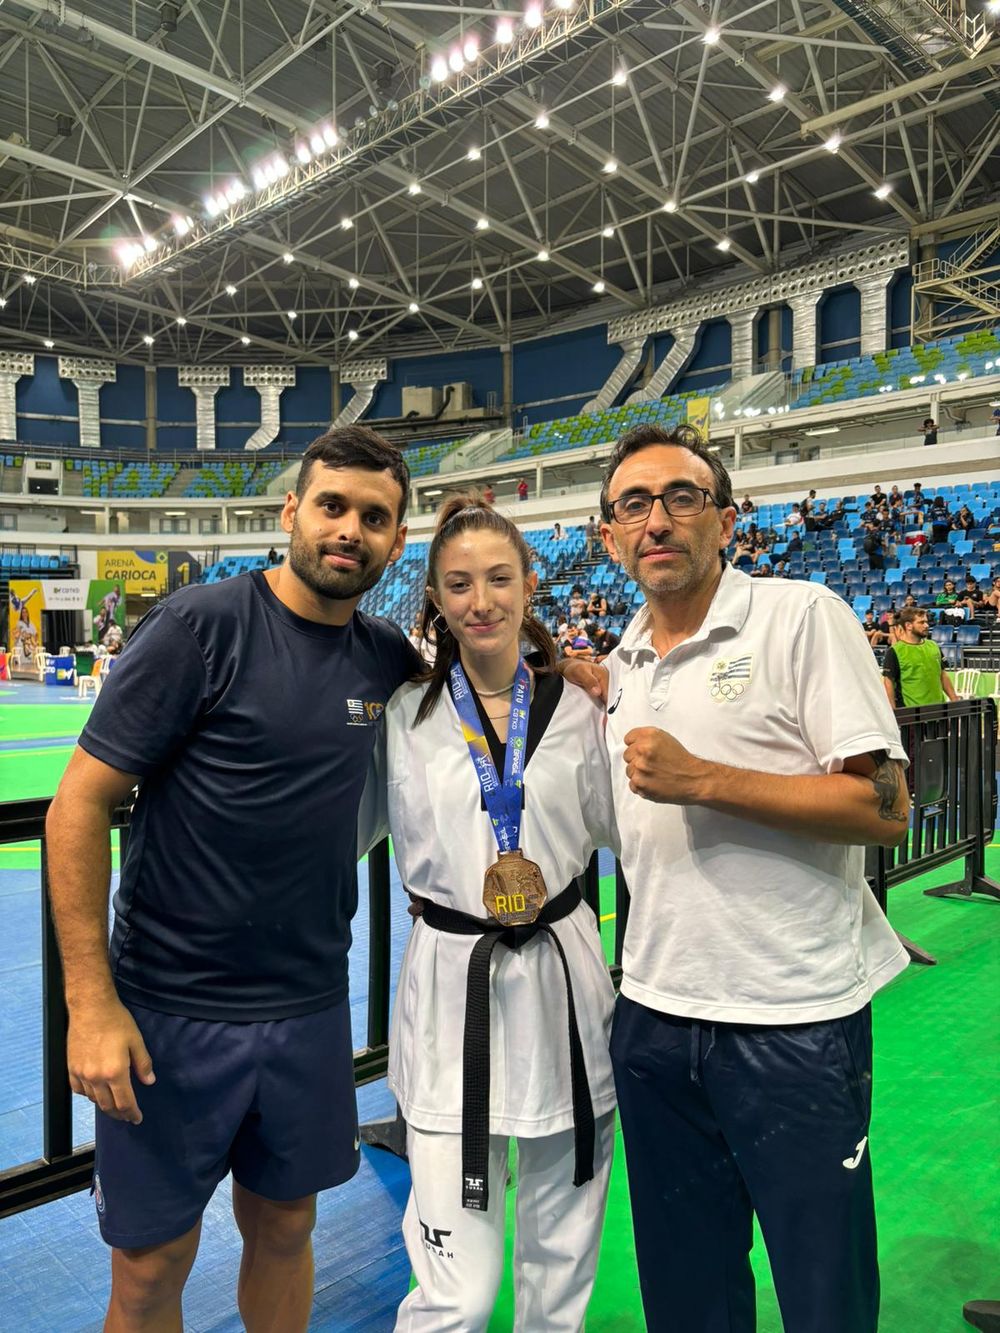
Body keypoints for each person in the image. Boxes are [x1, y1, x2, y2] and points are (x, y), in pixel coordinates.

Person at [44, 426, 421, 1333]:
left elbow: (486, 701)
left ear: (396, 541)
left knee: (287, 1223)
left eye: (374, 517)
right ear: (292, 511)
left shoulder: (387, 658)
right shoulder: (198, 627)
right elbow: (77, 807)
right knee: (150, 1263)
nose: (349, 530)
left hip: (307, 1006)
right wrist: (91, 1006)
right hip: (170, 1010)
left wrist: (569, 673)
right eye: (332, 506)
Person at [597, 422, 910, 1333]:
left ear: (726, 520)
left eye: (681, 497)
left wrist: (706, 781)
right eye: (633, 505)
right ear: (611, 537)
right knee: (687, 1295)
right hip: (654, 1016)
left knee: (825, 1293)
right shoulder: (618, 664)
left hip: (793, 1019)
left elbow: (886, 808)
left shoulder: (801, 615)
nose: (657, 519)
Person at [382, 495, 618, 1331]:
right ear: (437, 599)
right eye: (458, 584)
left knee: (558, 1277)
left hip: (563, 986)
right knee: (460, 1294)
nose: (480, 601)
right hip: (454, 996)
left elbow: (637, 831)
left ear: (528, 585)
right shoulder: (402, 715)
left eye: (497, 579)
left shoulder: (586, 708)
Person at [882, 607, 960, 707]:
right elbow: (888, 682)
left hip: (939, 710)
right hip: (911, 714)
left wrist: (954, 699)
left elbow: (943, 675)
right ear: (908, 625)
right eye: (921, 622)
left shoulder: (934, 646)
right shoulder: (894, 651)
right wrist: (892, 712)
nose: (926, 625)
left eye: (926, 622)